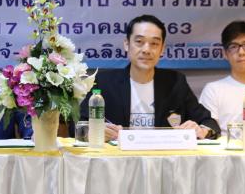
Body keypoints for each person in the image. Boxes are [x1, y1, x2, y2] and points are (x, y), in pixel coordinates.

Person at [79, 14, 219, 140]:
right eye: (139, 42)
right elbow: (79, 125)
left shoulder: (175, 82)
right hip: (118, 158)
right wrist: (94, 131)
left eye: (154, 44)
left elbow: (209, 122)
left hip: (162, 157)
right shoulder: (104, 82)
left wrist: (202, 130)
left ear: (162, 49)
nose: (146, 50)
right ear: (127, 44)